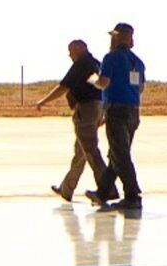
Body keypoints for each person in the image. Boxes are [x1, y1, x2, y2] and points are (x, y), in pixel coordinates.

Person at [39, 39, 112, 203]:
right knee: (81, 151)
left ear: (79, 49)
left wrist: (43, 101)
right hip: (97, 108)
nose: (69, 55)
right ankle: (66, 189)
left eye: (71, 51)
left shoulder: (82, 64)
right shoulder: (96, 63)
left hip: (86, 110)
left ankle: (108, 188)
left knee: (90, 150)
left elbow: (63, 87)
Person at [97, 23, 147, 214]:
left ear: (116, 38)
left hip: (117, 111)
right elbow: (141, 88)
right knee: (118, 153)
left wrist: (93, 80)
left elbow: (103, 82)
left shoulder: (111, 58)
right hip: (133, 112)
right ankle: (103, 191)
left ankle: (132, 195)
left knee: (121, 155)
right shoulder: (138, 61)